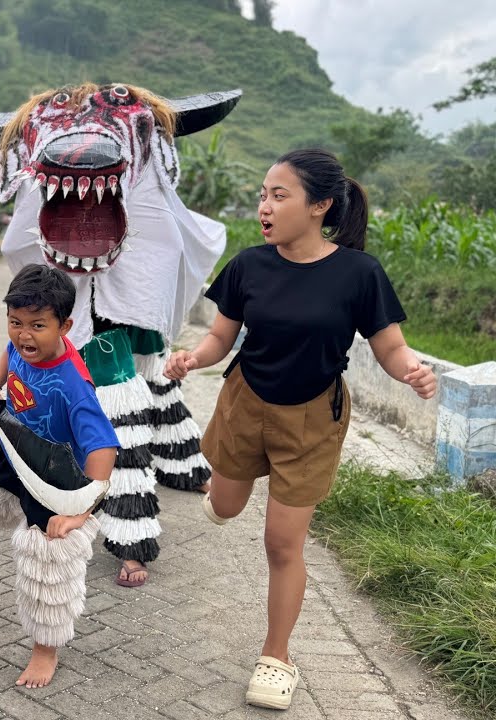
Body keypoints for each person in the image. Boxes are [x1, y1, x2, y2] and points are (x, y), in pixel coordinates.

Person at [164, 149, 437, 711]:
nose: (264, 207)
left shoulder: (360, 274)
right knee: (227, 506)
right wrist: (194, 358)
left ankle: (276, 656)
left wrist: (410, 369)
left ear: (320, 206)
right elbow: (221, 338)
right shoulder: (248, 265)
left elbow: (388, 346)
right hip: (245, 403)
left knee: (281, 542)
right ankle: (221, 494)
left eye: (278, 195)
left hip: (313, 417)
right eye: (263, 195)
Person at [0, 264, 119, 689]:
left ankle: (46, 649)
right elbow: (7, 356)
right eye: (16, 322)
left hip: (54, 470)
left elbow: (103, 447)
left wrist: (82, 511)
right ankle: (20, 509)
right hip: (14, 442)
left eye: (37, 326)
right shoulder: (20, 347)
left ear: (65, 325)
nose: (24, 335)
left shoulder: (74, 385)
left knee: (47, 555)